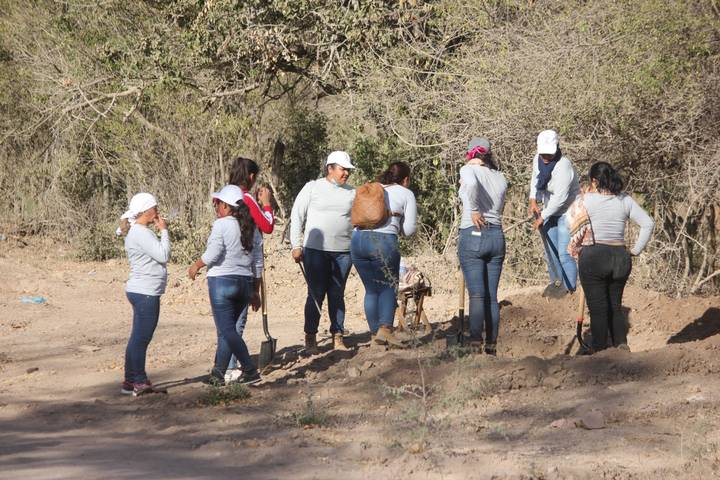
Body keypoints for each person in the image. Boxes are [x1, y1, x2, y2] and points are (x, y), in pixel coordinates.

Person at [567, 161, 654, 353]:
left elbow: (570, 223)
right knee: (615, 305)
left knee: (598, 309)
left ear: (594, 181)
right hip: (620, 257)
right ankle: (621, 346)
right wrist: (635, 250)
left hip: (594, 257)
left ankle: (600, 352)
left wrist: (582, 198)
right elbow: (648, 223)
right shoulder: (625, 200)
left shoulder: (584, 200)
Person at [188, 185, 263, 385]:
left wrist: (196, 265)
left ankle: (249, 369)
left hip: (221, 282)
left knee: (227, 330)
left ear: (227, 206)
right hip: (245, 282)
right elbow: (257, 261)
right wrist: (255, 290)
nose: (216, 207)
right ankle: (218, 373)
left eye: (218, 203)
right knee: (228, 330)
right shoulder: (252, 228)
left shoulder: (221, 225)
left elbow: (213, 254)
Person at [290, 151, 356, 353]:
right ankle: (311, 337)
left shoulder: (353, 192)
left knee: (337, 294)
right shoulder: (312, 187)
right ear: (330, 168)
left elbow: (358, 221)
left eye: (348, 170)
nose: (346, 173)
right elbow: (297, 215)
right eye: (343, 169)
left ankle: (338, 336)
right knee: (316, 294)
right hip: (315, 251)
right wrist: (296, 245)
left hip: (344, 252)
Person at [351, 161, 417, 347]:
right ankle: (386, 330)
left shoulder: (374, 188)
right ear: (405, 179)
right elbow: (410, 229)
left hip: (357, 241)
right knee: (388, 287)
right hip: (384, 242)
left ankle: (375, 336)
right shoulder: (406, 193)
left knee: (372, 290)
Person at [224, 157, 274, 382]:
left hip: (225, 265)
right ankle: (230, 366)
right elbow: (267, 226)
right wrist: (266, 203)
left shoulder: (223, 196)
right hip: (245, 265)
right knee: (237, 321)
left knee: (226, 320)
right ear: (251, 177)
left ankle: (225, 365)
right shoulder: (245, 198)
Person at [458, 138, 507, 355]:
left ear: (471, 154)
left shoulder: (468, 170)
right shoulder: (499, 176)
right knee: (492, 296)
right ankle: (492, 346)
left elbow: (471, 185)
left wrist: (475, 209)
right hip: (496, 235)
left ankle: (476, 345)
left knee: (477, 295)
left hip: (473, 233)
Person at [119, 193, 171, 396]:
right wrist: (164, 231)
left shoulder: (138, 232)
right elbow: (163, 254)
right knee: (141, 338)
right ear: (146, 211)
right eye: (155, 208)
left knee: (137, 337)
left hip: (140, 290)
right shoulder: (141, 233)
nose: (157, 212)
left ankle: (130, 379)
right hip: (145, 292)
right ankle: (139, 381)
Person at [528, 129, 580, 295]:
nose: (545, 157)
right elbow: (535, 179)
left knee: (565, 254)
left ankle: (570, 290)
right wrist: (533, 199)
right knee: (550, 253)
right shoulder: (538, 159)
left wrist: (542, 216)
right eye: (543, 153)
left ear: (557, 147)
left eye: (549, 153)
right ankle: (556, 286)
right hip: (549, 210)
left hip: (567, 212)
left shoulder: (563, 166)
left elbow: (561, 198)